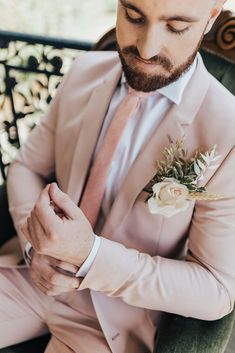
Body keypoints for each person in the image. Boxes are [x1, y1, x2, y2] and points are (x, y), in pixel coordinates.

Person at [0, 0, 235, 352]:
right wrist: (37, 244)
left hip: (113, 321)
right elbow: (26, 168)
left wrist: (90, 255)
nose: (147, 48)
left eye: (176, 26)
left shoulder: (227, 130)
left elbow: (216, 290)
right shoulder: (84, 71)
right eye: (134, 16)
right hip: (31, 278)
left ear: (210, 18)